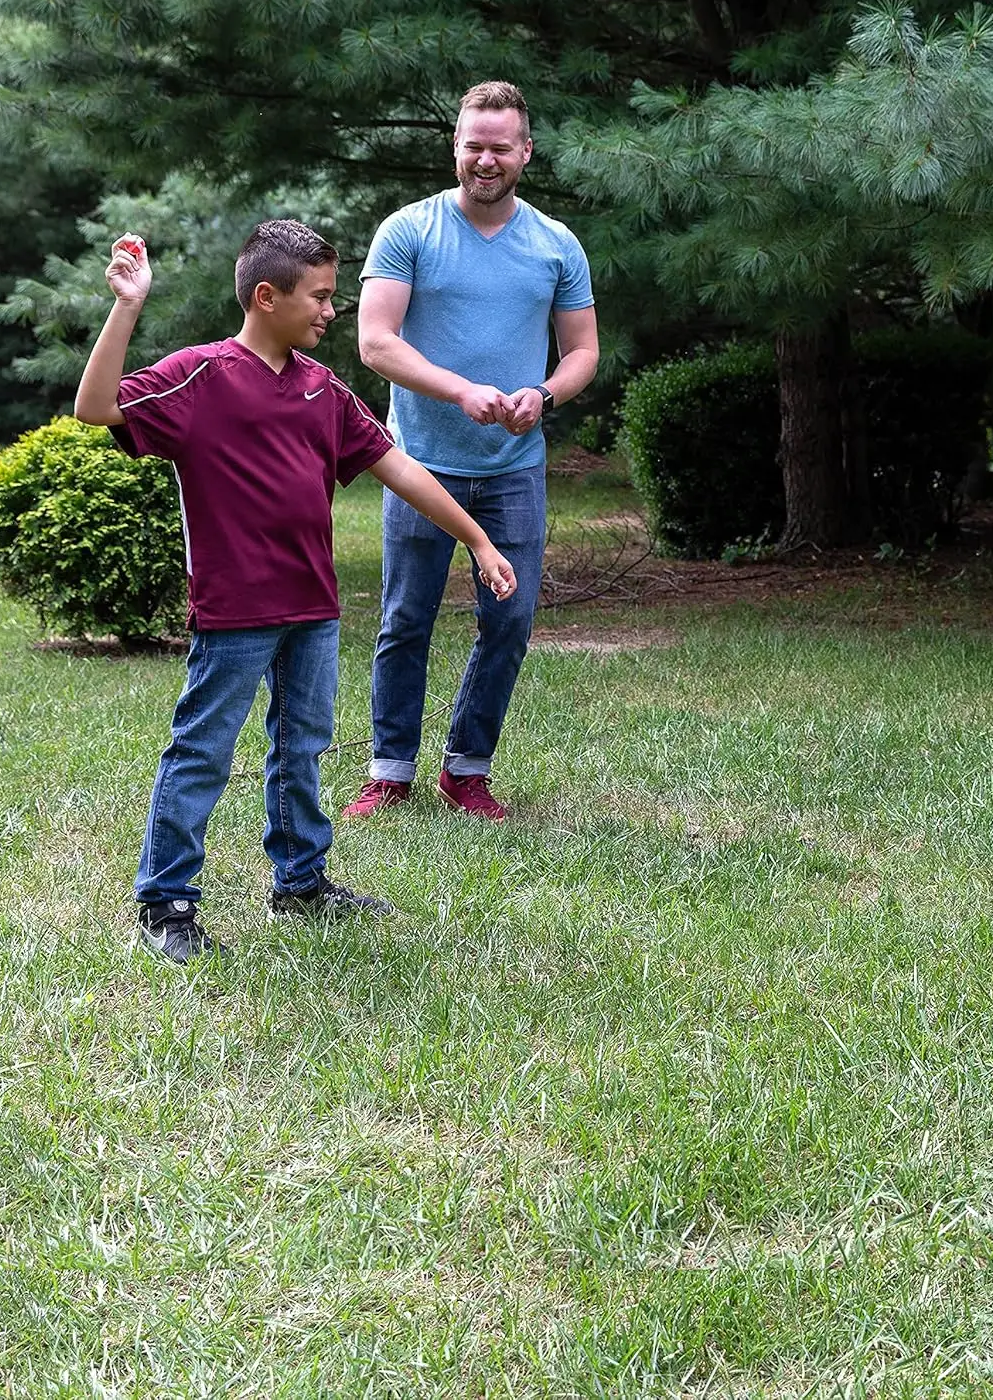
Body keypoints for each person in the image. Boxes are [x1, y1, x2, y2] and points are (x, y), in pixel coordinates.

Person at [73, 220, 518, 964]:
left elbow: (398, 468)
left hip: (312, 609)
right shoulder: (200, 376)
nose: (331, 310)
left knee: (301, 748)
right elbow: (96, 407)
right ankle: (165, 902)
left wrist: (476, 537)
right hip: (234, 612)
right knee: (203, 752)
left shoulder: (322, 388)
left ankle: (301, 883)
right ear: (266, 296)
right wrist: (128, 306)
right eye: (319, 296)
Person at [343, 79, 599, 823]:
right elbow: (375, 343)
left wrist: (543, 395)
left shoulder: (556, 244)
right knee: (405, 618)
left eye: (500, 147)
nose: (485, 160)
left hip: (513, 469)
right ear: (455, 147)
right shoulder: (408, 231)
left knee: (510, 623)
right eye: (473, 146)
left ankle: (466, 770)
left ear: (525, 151)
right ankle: (389, 772)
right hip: (420, 461)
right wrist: (460, 390)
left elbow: (582, 351)